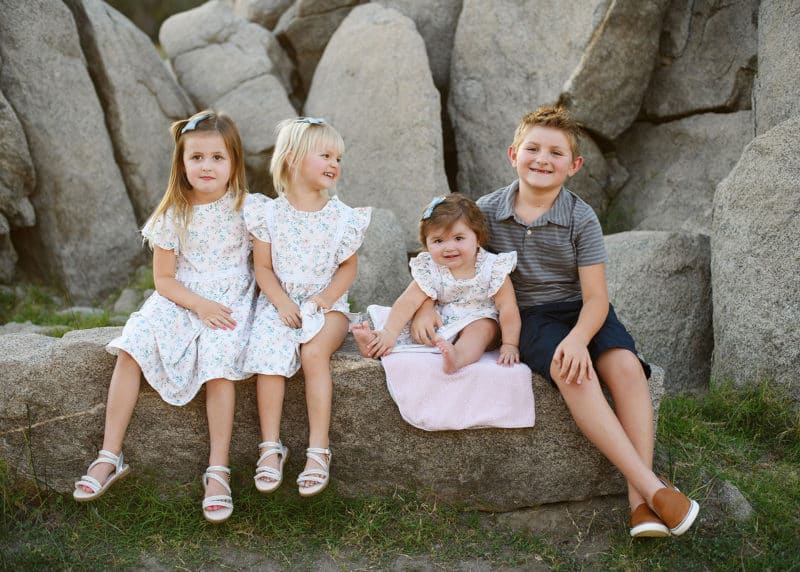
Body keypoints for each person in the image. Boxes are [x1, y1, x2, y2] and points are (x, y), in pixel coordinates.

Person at [411, 105, 699, 538]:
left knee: (624, 368)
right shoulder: (484, 212)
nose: (542, 159)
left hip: (582, 310)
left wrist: (581, 337)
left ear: (574, 165)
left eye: (556, 153)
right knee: (573, 373)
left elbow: (597, 297)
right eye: (533, 148)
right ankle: (654, 490)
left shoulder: (581, 217)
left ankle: (639, 502)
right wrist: (422, 306)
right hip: (530, 317)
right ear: (513, 154)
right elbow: (437, 255)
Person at [73, 111, 257, 523]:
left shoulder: (249, 209)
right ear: (182, 162)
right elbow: (164, 280)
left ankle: (218, 470)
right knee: (132, 344)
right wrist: (198, 305)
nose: (206, 166)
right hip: (184, 294)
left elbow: (265, 264)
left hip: (231, 296)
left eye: (217, 158)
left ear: (234, 163)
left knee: (219, 358)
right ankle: (109, 455)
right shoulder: (174, 213)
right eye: (196, 158)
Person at [242, 117, 370, 497]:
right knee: (268, 353)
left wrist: (327, 299)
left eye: (339, 157)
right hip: (280, 301)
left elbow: (349, 266)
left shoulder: (341, 217)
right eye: (326, 155)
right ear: (294, 158)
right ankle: (270, 446)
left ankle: (319, 449)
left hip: (326, 304)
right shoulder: (268, 213)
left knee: (313, 352)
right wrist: (280, 302)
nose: (335, 163)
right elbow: (262, 267)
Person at [351, 193, 520, 375]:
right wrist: (390, 332)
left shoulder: (493, 268)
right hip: (442, 320)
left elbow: (508, 308)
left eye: (458, 238)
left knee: (481, 329)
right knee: (406, 321)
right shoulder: (431, 268)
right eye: (438, 241)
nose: (449, 247)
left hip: (480, 318)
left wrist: (510, 344)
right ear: (427, 244)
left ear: (477, 239)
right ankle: (376, 343)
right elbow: (408, 301)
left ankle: (458, 357)